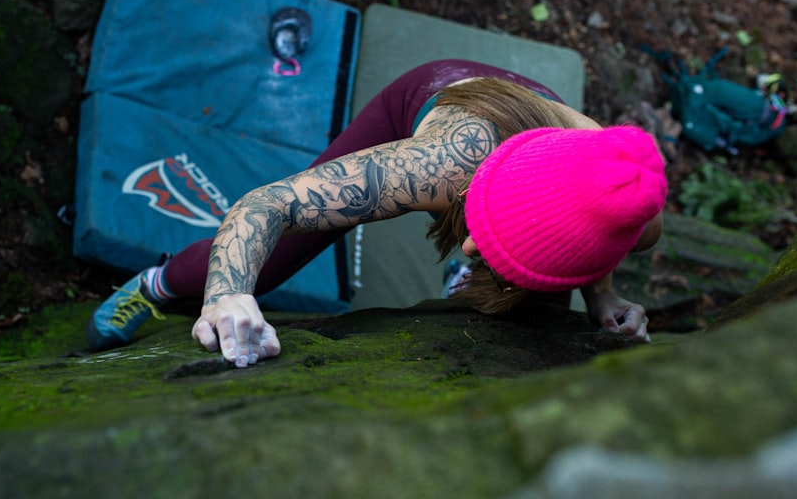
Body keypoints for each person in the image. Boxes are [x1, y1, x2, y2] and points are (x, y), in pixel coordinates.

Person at [87, 59, 668, 367]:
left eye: (487, 245)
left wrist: (603, 298)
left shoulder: (636, 210)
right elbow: (269, 204)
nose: (467, 244)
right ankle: (155, 283)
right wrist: (227, 293)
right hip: (444, 101)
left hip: (543, 145)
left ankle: (500, 270)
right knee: (268, 265)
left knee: (535, 314)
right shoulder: (437, 166)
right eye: (478, 232)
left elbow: (593, 220)